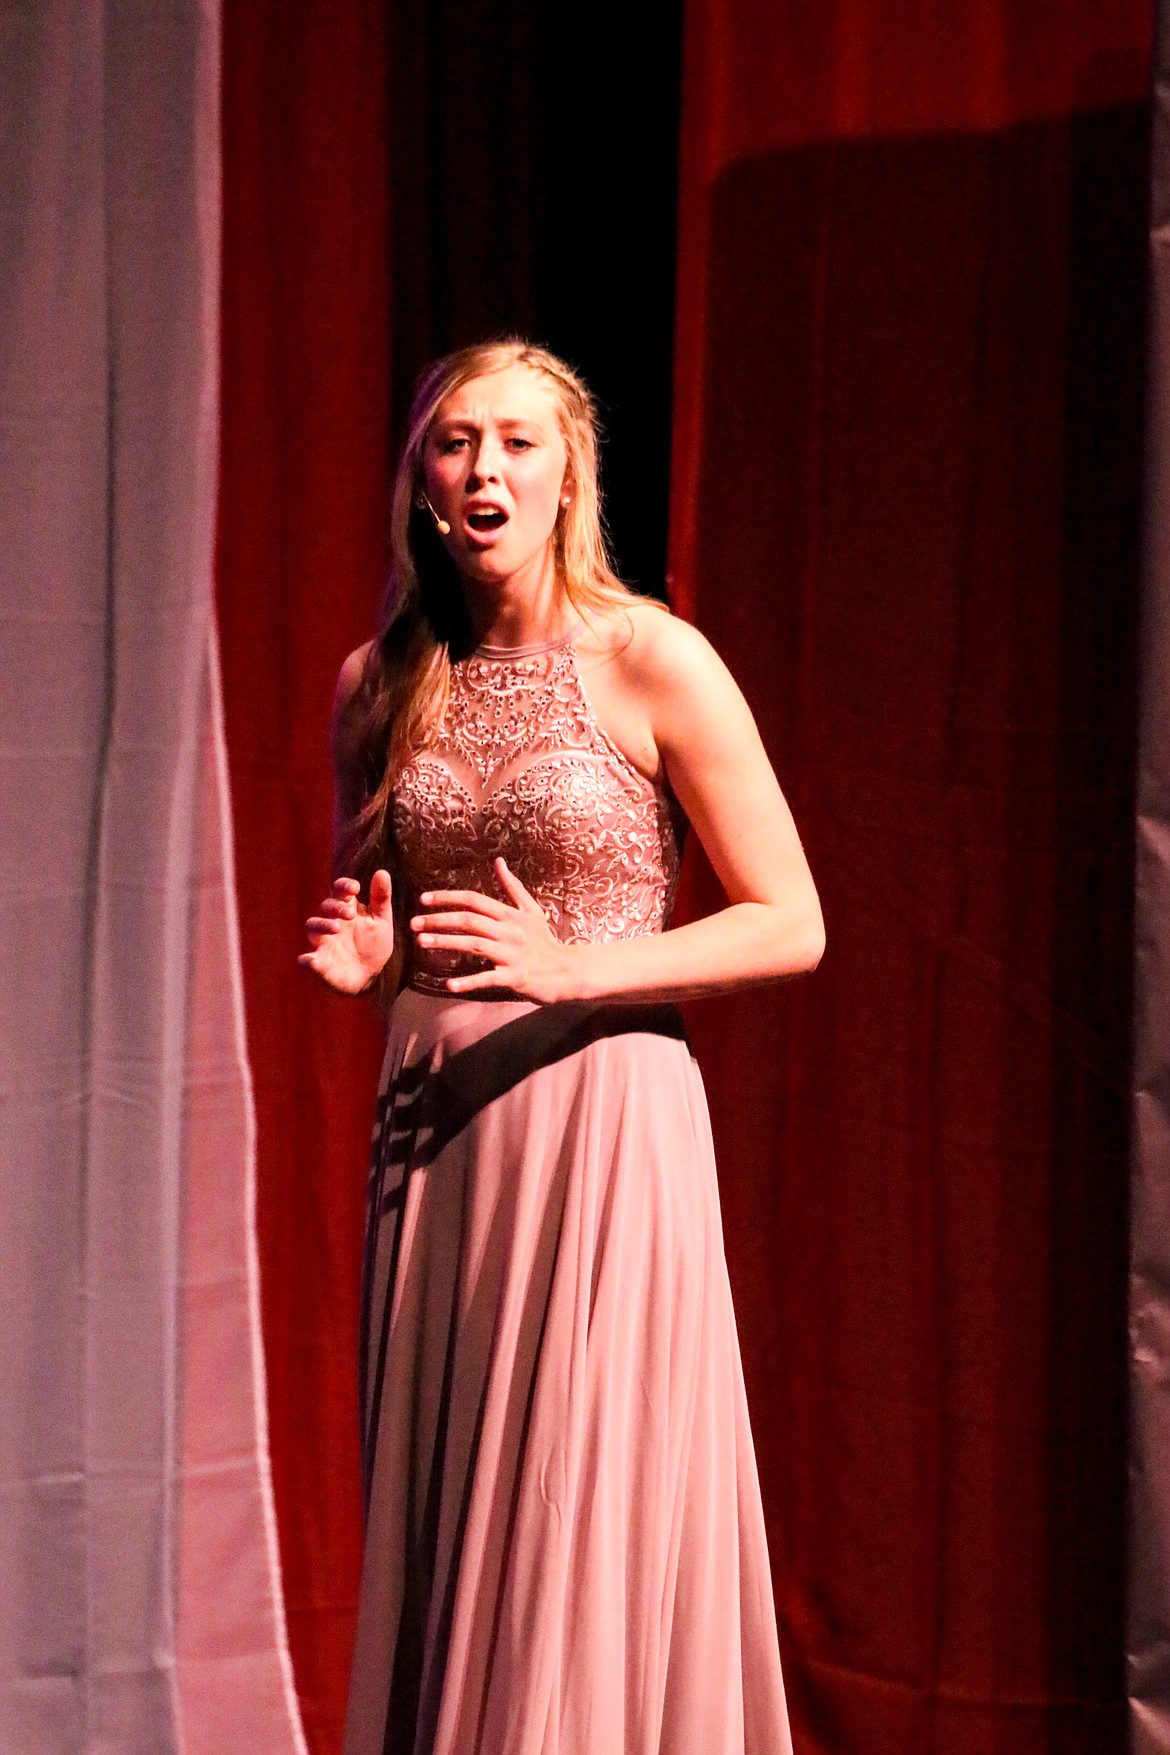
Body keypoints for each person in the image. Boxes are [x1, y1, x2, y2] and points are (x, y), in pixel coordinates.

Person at [300, 339, 824, 1755]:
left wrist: (577, 970)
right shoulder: (379, 681)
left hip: (602, 1123)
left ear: (568, 472)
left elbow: (790, 921)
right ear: (421, 480)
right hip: (441, 1141)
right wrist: (378, 970)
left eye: (518, 443)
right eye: (457, 444)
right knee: (458, 1501)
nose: (485, 471)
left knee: (577, 1504)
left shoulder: (651, 657)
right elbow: (405, 926)